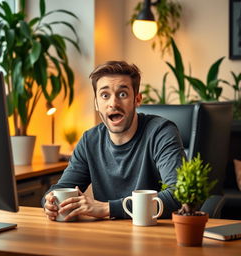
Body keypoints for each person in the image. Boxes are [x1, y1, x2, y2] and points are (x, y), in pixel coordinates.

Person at [42, 60, 185, 221]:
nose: (113, 103)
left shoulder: (161, 132)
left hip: (155, 234)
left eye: (122, 94)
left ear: (137, 100)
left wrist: (107, 208)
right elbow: (62, 188)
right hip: (108, 235)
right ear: (96, 103)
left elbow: (179, 196)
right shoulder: (90, 140)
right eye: (105, 95)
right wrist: (50, 202)